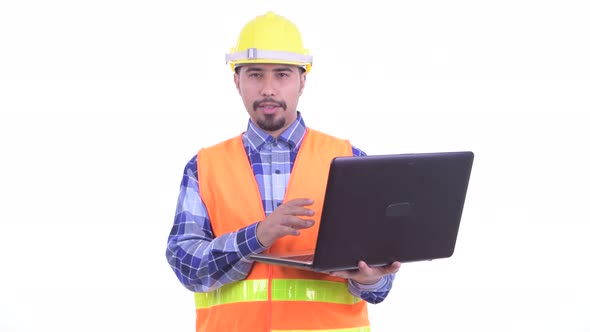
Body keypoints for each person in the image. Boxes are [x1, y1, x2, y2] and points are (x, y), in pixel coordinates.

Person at [166, 11, 401, 332]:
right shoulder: (204, 166)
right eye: (254, 74)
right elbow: (187, 266)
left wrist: (371, 278)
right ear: (236, 80)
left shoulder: (350, 159)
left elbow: (379, 286)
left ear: (303, 80)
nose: (268, 89)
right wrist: (257, 236)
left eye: (282, 74)